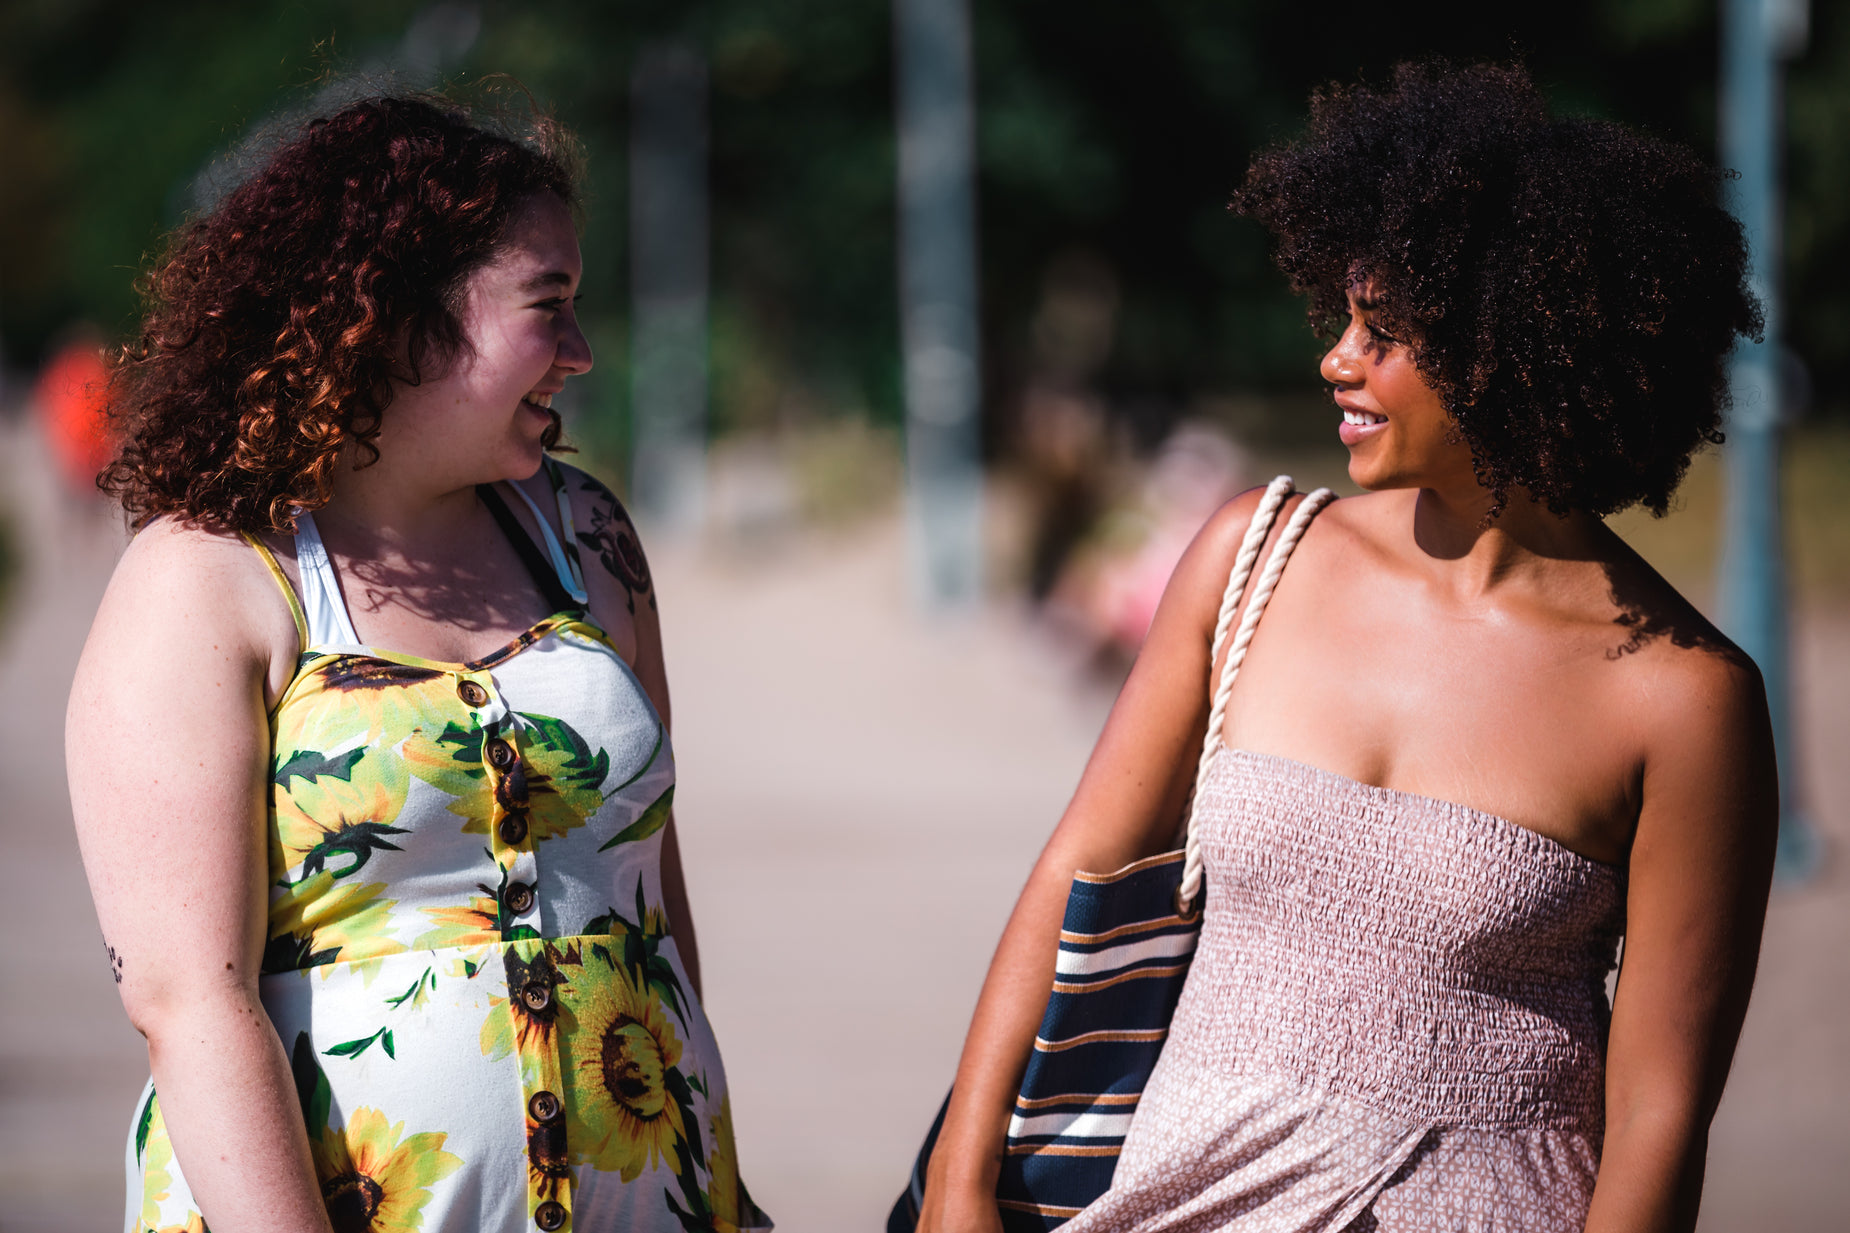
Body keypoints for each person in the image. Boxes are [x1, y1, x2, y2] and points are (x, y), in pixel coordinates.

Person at [916, 62, 1774, 1233]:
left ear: (1514, 351)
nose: (1335, 358)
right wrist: (961, 1185)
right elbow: (1076, 869)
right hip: (1175, 1197)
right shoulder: (1251, 558)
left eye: (1384, 333)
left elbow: (1660, 1115)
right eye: (1342, 319)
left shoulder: (1683, 699)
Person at [68, 93, 769, 1233]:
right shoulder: (206, 577)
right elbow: (189, 998)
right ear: (397, 319)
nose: (583, 354)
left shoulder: (588, 538)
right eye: (550, 307)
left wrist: (715, 1179)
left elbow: (655, 898)